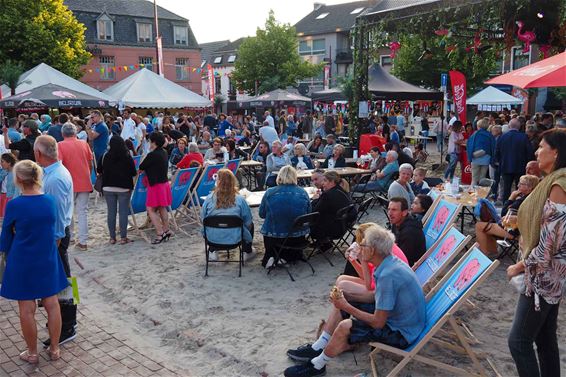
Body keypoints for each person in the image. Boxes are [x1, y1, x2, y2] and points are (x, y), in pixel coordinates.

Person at [284, 225, 426, 377]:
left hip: (402, 333)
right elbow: (375, 296)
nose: (359, 247)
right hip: (401, 319)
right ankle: (319, 345)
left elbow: (378, 323)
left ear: (372, 250)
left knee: (346, 325)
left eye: (362, 245)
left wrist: (345, 306)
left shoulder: (388, 276)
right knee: (346, 298)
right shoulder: (389, 263)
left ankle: (318, 365)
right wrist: (345, 301)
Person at [507, 129, 566, 377]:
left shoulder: (558, 186)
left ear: (556, 153)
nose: (536, 151)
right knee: (544, 339)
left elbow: (548, 244)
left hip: (543, 277)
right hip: (552, 276)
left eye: (541, 146)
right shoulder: (555, 181)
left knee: (518, 342)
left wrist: (517, 267)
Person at [0, 160, 69, 364]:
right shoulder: (49, 201)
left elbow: (5, 238)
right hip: (47, 255)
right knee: (52, 303)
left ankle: (32, 353)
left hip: (23, 257)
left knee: (26, 307)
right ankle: (55, 348)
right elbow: (57, 231)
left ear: (19, 179)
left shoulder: (14, 205)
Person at [34, 135, 77, 348]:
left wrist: (57, 237)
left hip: (57, 235)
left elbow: (58, 212)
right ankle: (64, 323)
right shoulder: (53, 173)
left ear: (39, 153)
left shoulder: (54, 177)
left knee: (64, 280)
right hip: (57, 233)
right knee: (63, 279)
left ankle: (67, 325)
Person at [259, 166, 311, 268]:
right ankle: (288, 257)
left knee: (269, 224)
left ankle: (272, 257)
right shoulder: (303, 192)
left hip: (275, 236)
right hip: (297, 236)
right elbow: (308, 213)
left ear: (279, 177)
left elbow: (262, 214)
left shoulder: (270, 192)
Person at [475, 174, 539, 255]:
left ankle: (483, 254)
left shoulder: (523, 200)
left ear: (529, 187)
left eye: (521, 184)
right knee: (488, 224)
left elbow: (504, 214)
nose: (518, 185)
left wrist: (511, 198)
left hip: (514, 230)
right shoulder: (531, 197)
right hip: (520, 229)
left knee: (479, 225)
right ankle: (492, 251)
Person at [201, 169, 256, 262]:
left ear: (217, 182)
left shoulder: (209, 198)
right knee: (250, 224)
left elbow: (203, 218)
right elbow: (248, 222)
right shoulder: (240, 199)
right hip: (235, 237)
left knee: (210, 223)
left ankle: (212, 250)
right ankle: (247, 251)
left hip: (212, 237)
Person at [57, 123, 93, 251]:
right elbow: (90, 162)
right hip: (84, 181)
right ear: (75, 132)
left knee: (68, 211)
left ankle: (71, 236)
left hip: (68, 183)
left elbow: (59, 165)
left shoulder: (60, 145)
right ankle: (83, 241)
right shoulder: (84, 143)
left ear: (63, 134)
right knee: (82, 212)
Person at [98, 136, 137, 245]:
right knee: (123, 212)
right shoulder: (127, 156)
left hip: (108, 186)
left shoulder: (105, 155)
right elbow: (133, 172)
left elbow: (99, 170)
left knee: (111, 212)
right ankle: (123, 238)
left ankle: (112, 238)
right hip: (124, 187)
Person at [139, 132, 172, 244]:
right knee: (162, 207)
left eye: (150, 141)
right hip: (164, 183)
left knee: (151, 209)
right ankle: (166, 230)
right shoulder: (164, 152)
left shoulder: (152, 155)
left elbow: (141, 166)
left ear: (154, 142)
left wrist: (146, 155)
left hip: (155, 185)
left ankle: (160, 233)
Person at [311, 171, 354, 250]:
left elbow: (316, 211)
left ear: (332, 182)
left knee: (309, 221)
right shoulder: (341, 190)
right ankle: (324, 243)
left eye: (325, 181)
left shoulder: (328, 195)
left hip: (332, 230)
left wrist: (314, 200)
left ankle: (323, 242)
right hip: (343, 225)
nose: (322, 183)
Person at [495, 118, 534, 201]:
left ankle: (506, 205)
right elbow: (530, 152)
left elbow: (497, 152)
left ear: (509, 126)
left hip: (505, 166)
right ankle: (518, 205)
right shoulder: (524, 137)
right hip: (520, 166)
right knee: (520, 188)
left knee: (506, 188)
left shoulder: (502, 137)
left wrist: (499, 162)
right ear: (519, 126)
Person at [388, 197, 426, 266]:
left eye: (394, 210)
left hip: (410, 267)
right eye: (389, 209)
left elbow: (403, 260)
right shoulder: (396, 222)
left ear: (404, 213)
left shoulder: (410, 232)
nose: (390, 213)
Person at [467, 117, 496, 186]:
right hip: (486, 158)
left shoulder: (474, 135)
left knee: (474, 178)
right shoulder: (490, 135)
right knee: (482, 178)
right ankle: (481, 193)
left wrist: (470, 157)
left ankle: (473, 193)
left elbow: (469, 145)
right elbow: (493, 147)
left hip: (475, 158)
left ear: (478, 126)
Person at [0, 153, 19, 217]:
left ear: (9, 163)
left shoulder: (16, 174)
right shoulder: (4, 171)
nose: (1, 163)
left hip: (12, 199)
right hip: (4, 196)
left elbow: (17, 190)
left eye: (2, 161)